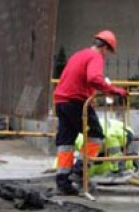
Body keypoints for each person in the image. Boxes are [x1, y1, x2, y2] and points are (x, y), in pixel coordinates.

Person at [52, 30, 127, 195]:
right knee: (96, 135)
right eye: (108, 52)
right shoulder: (95, 57)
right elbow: (94, 78)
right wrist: (114, 90)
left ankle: (63, 181)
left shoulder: (78, 55)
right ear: (105, 48)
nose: (106, 56)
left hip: (61, 101)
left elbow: (76, 79)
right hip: (76, 102)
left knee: (66, 141)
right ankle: (79, 172)